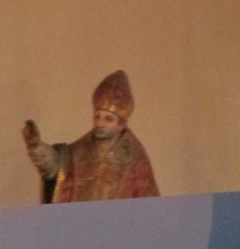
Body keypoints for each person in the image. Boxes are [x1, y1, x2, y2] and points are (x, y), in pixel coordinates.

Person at [23, 70, 160, 203]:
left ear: (121, 124)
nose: (100, 123)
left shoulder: (135, 161)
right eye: (97, 117)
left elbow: (149, 207)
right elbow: (54, 167)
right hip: (78, 217)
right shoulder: (78, 151)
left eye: (108, 119)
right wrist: (35, 146)